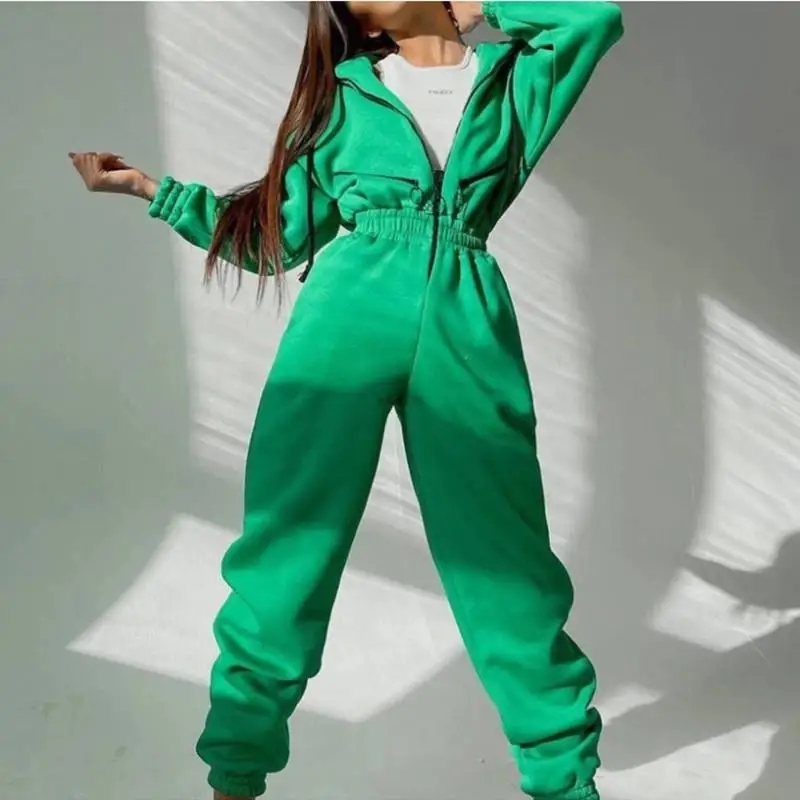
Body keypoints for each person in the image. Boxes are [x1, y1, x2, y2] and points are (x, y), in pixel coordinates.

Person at [70, 2, 623, 798]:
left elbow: (592, 19)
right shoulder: (342, 98)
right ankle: (234, 777)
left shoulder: (515, 80)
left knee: (508, 566)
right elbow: (274, 239)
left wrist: (477, 7)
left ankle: (566, 784)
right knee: (287, 551)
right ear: (358, 21)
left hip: (468, 321)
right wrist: (150, 189)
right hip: (343, 322)